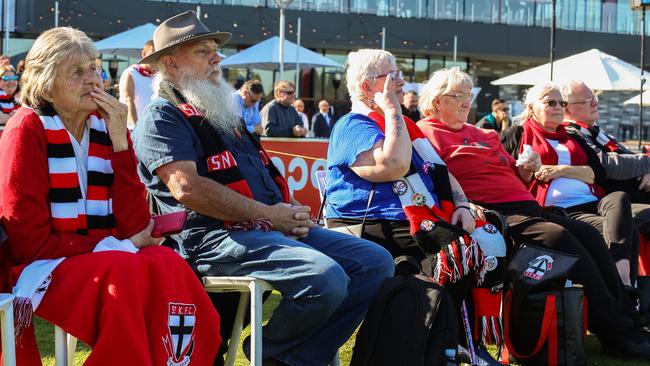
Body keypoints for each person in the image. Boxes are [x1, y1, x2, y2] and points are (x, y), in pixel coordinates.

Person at [133, 12, 393, 366]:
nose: (216, 58)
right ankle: (277, 353)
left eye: (214, 50)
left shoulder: (221, 111)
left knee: (375, 262)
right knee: (325, 278)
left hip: (263, 226)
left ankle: (282, 355)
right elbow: (187, 188)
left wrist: (291, 213)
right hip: (211, 237)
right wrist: (271, 217)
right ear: (171, 61)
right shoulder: (161, 116)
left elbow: (263, 180)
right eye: (203, 51)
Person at [0, 26, 221, 365]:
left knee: (168, 262)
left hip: (98, 253)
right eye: (76, 72)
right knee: (124, 267)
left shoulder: (105, 125)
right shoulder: (26, 128)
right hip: (40, 266)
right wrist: (106, 243)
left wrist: (121, 141)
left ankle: (182, 359)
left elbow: (135, 225)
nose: (92, 80)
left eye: (94, 67)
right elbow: (28, 242)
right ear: (45, 81)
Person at [416, 67, 650, 358]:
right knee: (559, 237)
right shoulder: (426, 134)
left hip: (527, 205)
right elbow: (432, 184)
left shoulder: (483, 134)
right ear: (437, 101)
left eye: (468, 95)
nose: (467, 102)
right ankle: (618, 332)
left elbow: (513, 174)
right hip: (493, 214)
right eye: (459, 95)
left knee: (589, 235)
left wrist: (525, 170)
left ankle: (629, 321)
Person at [325, 50, 506, 362]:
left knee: (489, 231)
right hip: (368, 225)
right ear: (368, 87)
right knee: (457, 250)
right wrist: (393, 111)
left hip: (414, 221)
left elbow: (441, 173)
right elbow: (393, 165)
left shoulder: (408, 128)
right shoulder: (352, 124)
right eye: (391, 75)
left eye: (399, 73)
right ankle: (446, 345)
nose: (402, 80)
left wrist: (461, 205)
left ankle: (462, 341)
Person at [516, 83, 643, 286]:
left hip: (593, 200)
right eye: (551, 102)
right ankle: (625, 288)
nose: (559, 107)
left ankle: (622, 278)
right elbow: (514, 174)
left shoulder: (573, 137)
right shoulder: (520, 135)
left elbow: (599, 174)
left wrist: (560, 170)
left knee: (619, 198)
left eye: (561, 102)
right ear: (531, 108)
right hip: (564, 208)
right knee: (628, 231)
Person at [561, 80, 650, 203]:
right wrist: (646, 163)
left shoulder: (598, 132)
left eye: (594, 98)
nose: (595, 103)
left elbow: (631, 156)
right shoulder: (570, 133)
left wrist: (647, 171)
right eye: (587, 101)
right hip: (619, 205)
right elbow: (604, 164)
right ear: (566, 108)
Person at [119, 39, 156, 129]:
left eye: (157, 54)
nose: (154, 57)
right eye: (152, 53)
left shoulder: (157, 75)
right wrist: (137, 128)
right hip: (132, 128)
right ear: (143, 54)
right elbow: (129, 101)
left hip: (153, 127)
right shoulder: (130, 73)